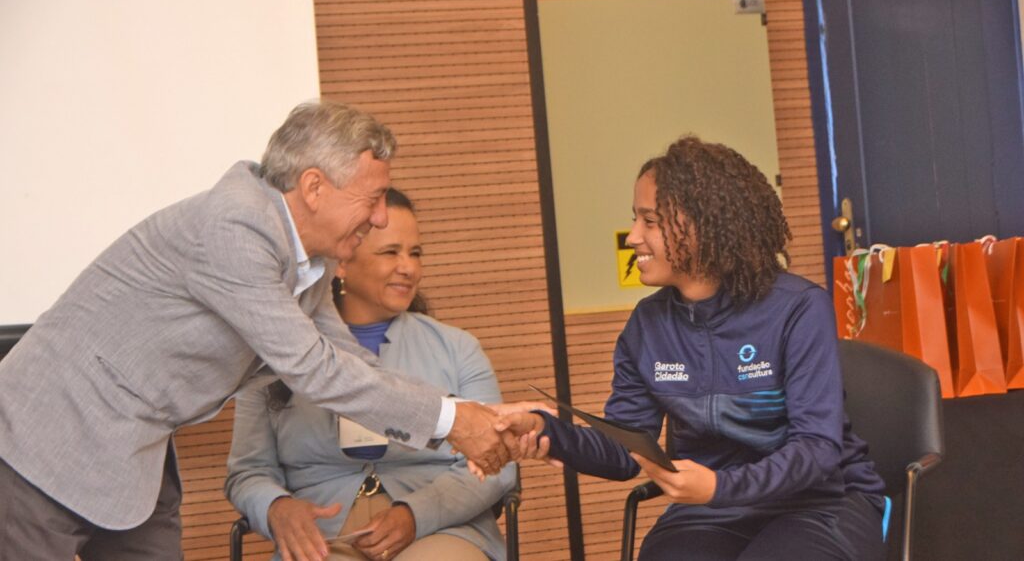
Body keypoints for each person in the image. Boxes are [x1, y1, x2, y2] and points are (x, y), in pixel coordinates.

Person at [0, 101, 514, 559]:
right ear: (314, 187)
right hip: (49, 437)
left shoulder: (305, 258)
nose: (381, 218)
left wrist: (476, 417)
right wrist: (453, 421)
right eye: (373, 198)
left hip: (135, 451)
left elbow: (349, 360)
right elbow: (316, 370)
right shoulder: (236, 229)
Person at [499, 137, 887, 560]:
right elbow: (625, 450)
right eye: (635, 219)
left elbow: (816, 450)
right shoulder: (647, 326)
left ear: (703, 224)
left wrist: (719, 486)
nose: (633, 237)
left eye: (650, 221)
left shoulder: (798, 308)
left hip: (820, 503)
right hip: (710, 511)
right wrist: (545, 430)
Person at [227, 189, 516, 561]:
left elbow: (498, 465)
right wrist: (276, 507)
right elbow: (248, 472)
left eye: (415, 253)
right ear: (342, 262)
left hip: (442, 530)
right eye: (390, 252)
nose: (409, 268)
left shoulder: (458, 348)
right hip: (324, 538)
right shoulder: (278, 352)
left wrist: (416, 514)